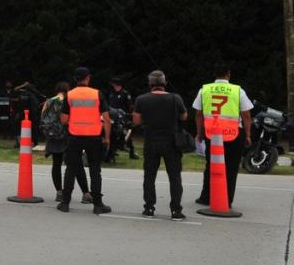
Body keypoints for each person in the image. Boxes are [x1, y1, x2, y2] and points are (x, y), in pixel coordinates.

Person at [193, 64, 253, 207]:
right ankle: (227, 199)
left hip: (212, 135)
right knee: (231, 168)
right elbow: (246, 114)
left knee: (211, 166)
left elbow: (198, 114)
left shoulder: (204, 89)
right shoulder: (238, 90)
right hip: (233, 133)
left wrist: (199, 133)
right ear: (228, 74)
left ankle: (206, 197)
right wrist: (248, 135)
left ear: (214, 74)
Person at [57, 67, 112, 215]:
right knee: (95, 170)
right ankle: (98, 205)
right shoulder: (97, 94)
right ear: (88, 78)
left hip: (74, 137)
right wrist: (107, 138)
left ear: (75, 79)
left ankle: (65, 203)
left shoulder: (70, 95)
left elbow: (63, 119)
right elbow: (106, 119)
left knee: (71, 169)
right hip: (94, 137)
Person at [133, 70, 187, 219]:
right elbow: (184, 116)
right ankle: (176, 210)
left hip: (151, 141)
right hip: (171, 142)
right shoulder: (176, 98)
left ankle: (149, 207)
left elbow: (136, 121)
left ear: (150, 84)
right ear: (165, 83)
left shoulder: (141, 99)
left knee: (149, 176)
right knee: (175, 177)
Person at [42, 82, 91, 204]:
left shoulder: (49, 101)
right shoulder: (69, 100)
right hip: (68, 134)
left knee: (56, 164)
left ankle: (59, 192)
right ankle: (86, 193)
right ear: (67, 90)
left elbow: (42, 117)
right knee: (77, 164)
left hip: (53, 136)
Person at [106, 77, 138, 160]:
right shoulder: (111, 93)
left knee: (126, 134)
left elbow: (130, 106)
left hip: (123, 117)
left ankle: (131, 152)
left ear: (117, 85)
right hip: (112, 116)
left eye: (113, 84)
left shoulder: (125, 94)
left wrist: (129, 116)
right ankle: (111, 152)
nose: (112, 86)